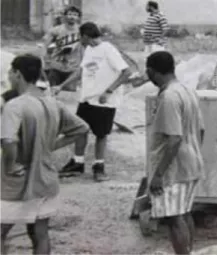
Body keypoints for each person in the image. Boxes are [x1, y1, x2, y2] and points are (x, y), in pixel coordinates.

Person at [0, 54, 89, 254]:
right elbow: (82, 128)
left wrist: (10, 165)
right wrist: (49, 146)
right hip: (46, 178)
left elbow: (8, 140)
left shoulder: (15, 105)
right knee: (40, 233)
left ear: (17, 74)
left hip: (18, 182)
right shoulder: (53, 103)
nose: (9, 78)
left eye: (10, 73)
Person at [56, 22, 132, 182]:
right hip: (87, 99)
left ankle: (99, 166)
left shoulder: (109, 49)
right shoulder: (89, 49)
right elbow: (81, 70)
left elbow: (126, 72)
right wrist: (61, 86)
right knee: (79, 130)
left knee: (101, 134)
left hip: (104, 101)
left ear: (85, 36)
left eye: (80, 36)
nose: (79, 39)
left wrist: (109, 91)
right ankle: (78, 163)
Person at [146, 51, 204, 254]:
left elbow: (174, 138)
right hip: (191, 161)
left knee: (173, 218)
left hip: (174, 169)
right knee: (185, 213)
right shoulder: (187, 91)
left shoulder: (170, 97)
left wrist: (159, 174)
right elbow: (201, 130)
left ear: (151, 71)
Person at [42, 5, 83, 89]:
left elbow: (85, 48)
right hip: (56, 66)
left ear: (78, 17)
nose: (72, 17)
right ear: (65, 16)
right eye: (70, 14)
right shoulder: (56, 30)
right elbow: (45, 46)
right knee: (52, 91)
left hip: (73, 67)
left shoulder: (81, 31)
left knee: (69, 94)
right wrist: (45, 61)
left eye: (75, 15)